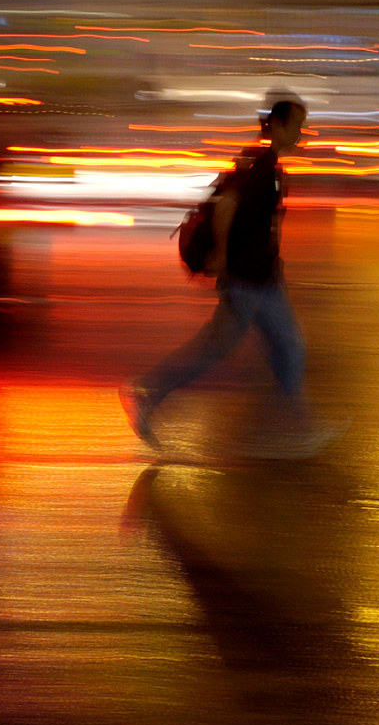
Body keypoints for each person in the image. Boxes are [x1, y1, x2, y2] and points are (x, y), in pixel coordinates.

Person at [120, 96, 336, 458]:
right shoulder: (260, 165)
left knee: (289, 348)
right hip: (246, 281)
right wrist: (220, 252)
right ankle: (147, 394)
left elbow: (257, 221)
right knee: (216, 351)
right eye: (298, 126)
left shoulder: (264, 162)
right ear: (279, 126)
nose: (302, 134)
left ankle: (295, 425)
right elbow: (226, 206)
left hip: (263, 279)